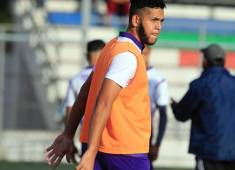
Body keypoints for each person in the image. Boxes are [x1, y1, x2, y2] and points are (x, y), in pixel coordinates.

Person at [45, 0, 166, 170]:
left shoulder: (112, 46)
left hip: (102, 148)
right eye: (153, 20)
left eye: (161, 21)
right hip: (124, 153)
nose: (158, 26)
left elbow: (85, 91)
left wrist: (68, 134)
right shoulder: (128, 56)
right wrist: (91, 152)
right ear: (136, 20)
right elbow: (103, 102)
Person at [170, 44, 235, 170]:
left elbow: (182, 115)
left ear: (205, 61)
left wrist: (175, 107)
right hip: (234, 154)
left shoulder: (199, 85)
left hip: (207, 153)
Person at [63, 39, 105, 125]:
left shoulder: (75, 79)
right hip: (105, 128)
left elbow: (69, 109)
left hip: (84, 131)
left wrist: (68, 134)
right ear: (104, 53)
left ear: (87, 56)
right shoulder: (109, 75)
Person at [143, 47, 168, 169]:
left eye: (145, 53)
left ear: (150, 53)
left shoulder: (157, 79)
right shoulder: (125, 72)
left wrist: (157, 144)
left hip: (145, 133)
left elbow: (163, 114)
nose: (142, 56)